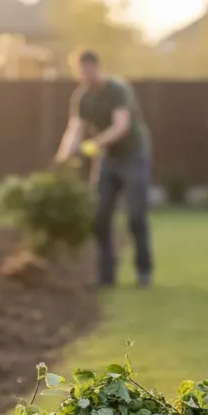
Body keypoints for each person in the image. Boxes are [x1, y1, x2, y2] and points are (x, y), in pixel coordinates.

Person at [55, 50, 154, 288]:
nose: (85, 75)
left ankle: (144, 272)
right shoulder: (82, 98)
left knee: (136, 215)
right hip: (108, 158)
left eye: (88, 70)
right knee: (100, 217)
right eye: (81, 71)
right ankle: (106, 276)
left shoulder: (118, 90)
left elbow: (121, 126)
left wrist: (95, 144)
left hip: (133, 156)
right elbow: (75, 129)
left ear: (96, 67)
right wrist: (63, 157)